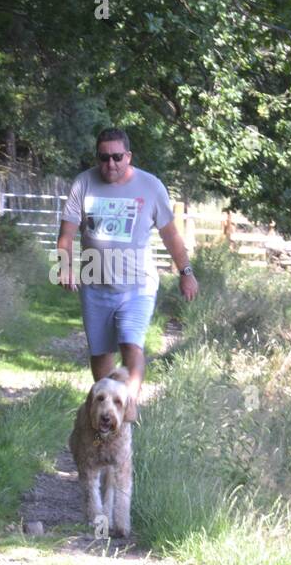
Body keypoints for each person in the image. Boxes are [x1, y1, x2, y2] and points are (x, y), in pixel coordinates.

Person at [56, 128, 198, 403]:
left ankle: (129, 407)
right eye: (104, 157)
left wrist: (186, 272)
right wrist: (64, 266)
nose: (111, 164)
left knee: (131, 344)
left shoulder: (151, 186)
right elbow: (67, 234)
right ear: (97, 158)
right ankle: (109, 410)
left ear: (128, 156)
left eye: (117, 157)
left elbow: (170, 235)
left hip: (138, 286)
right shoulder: (82, 184)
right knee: (100, 353)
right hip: (95, 284)